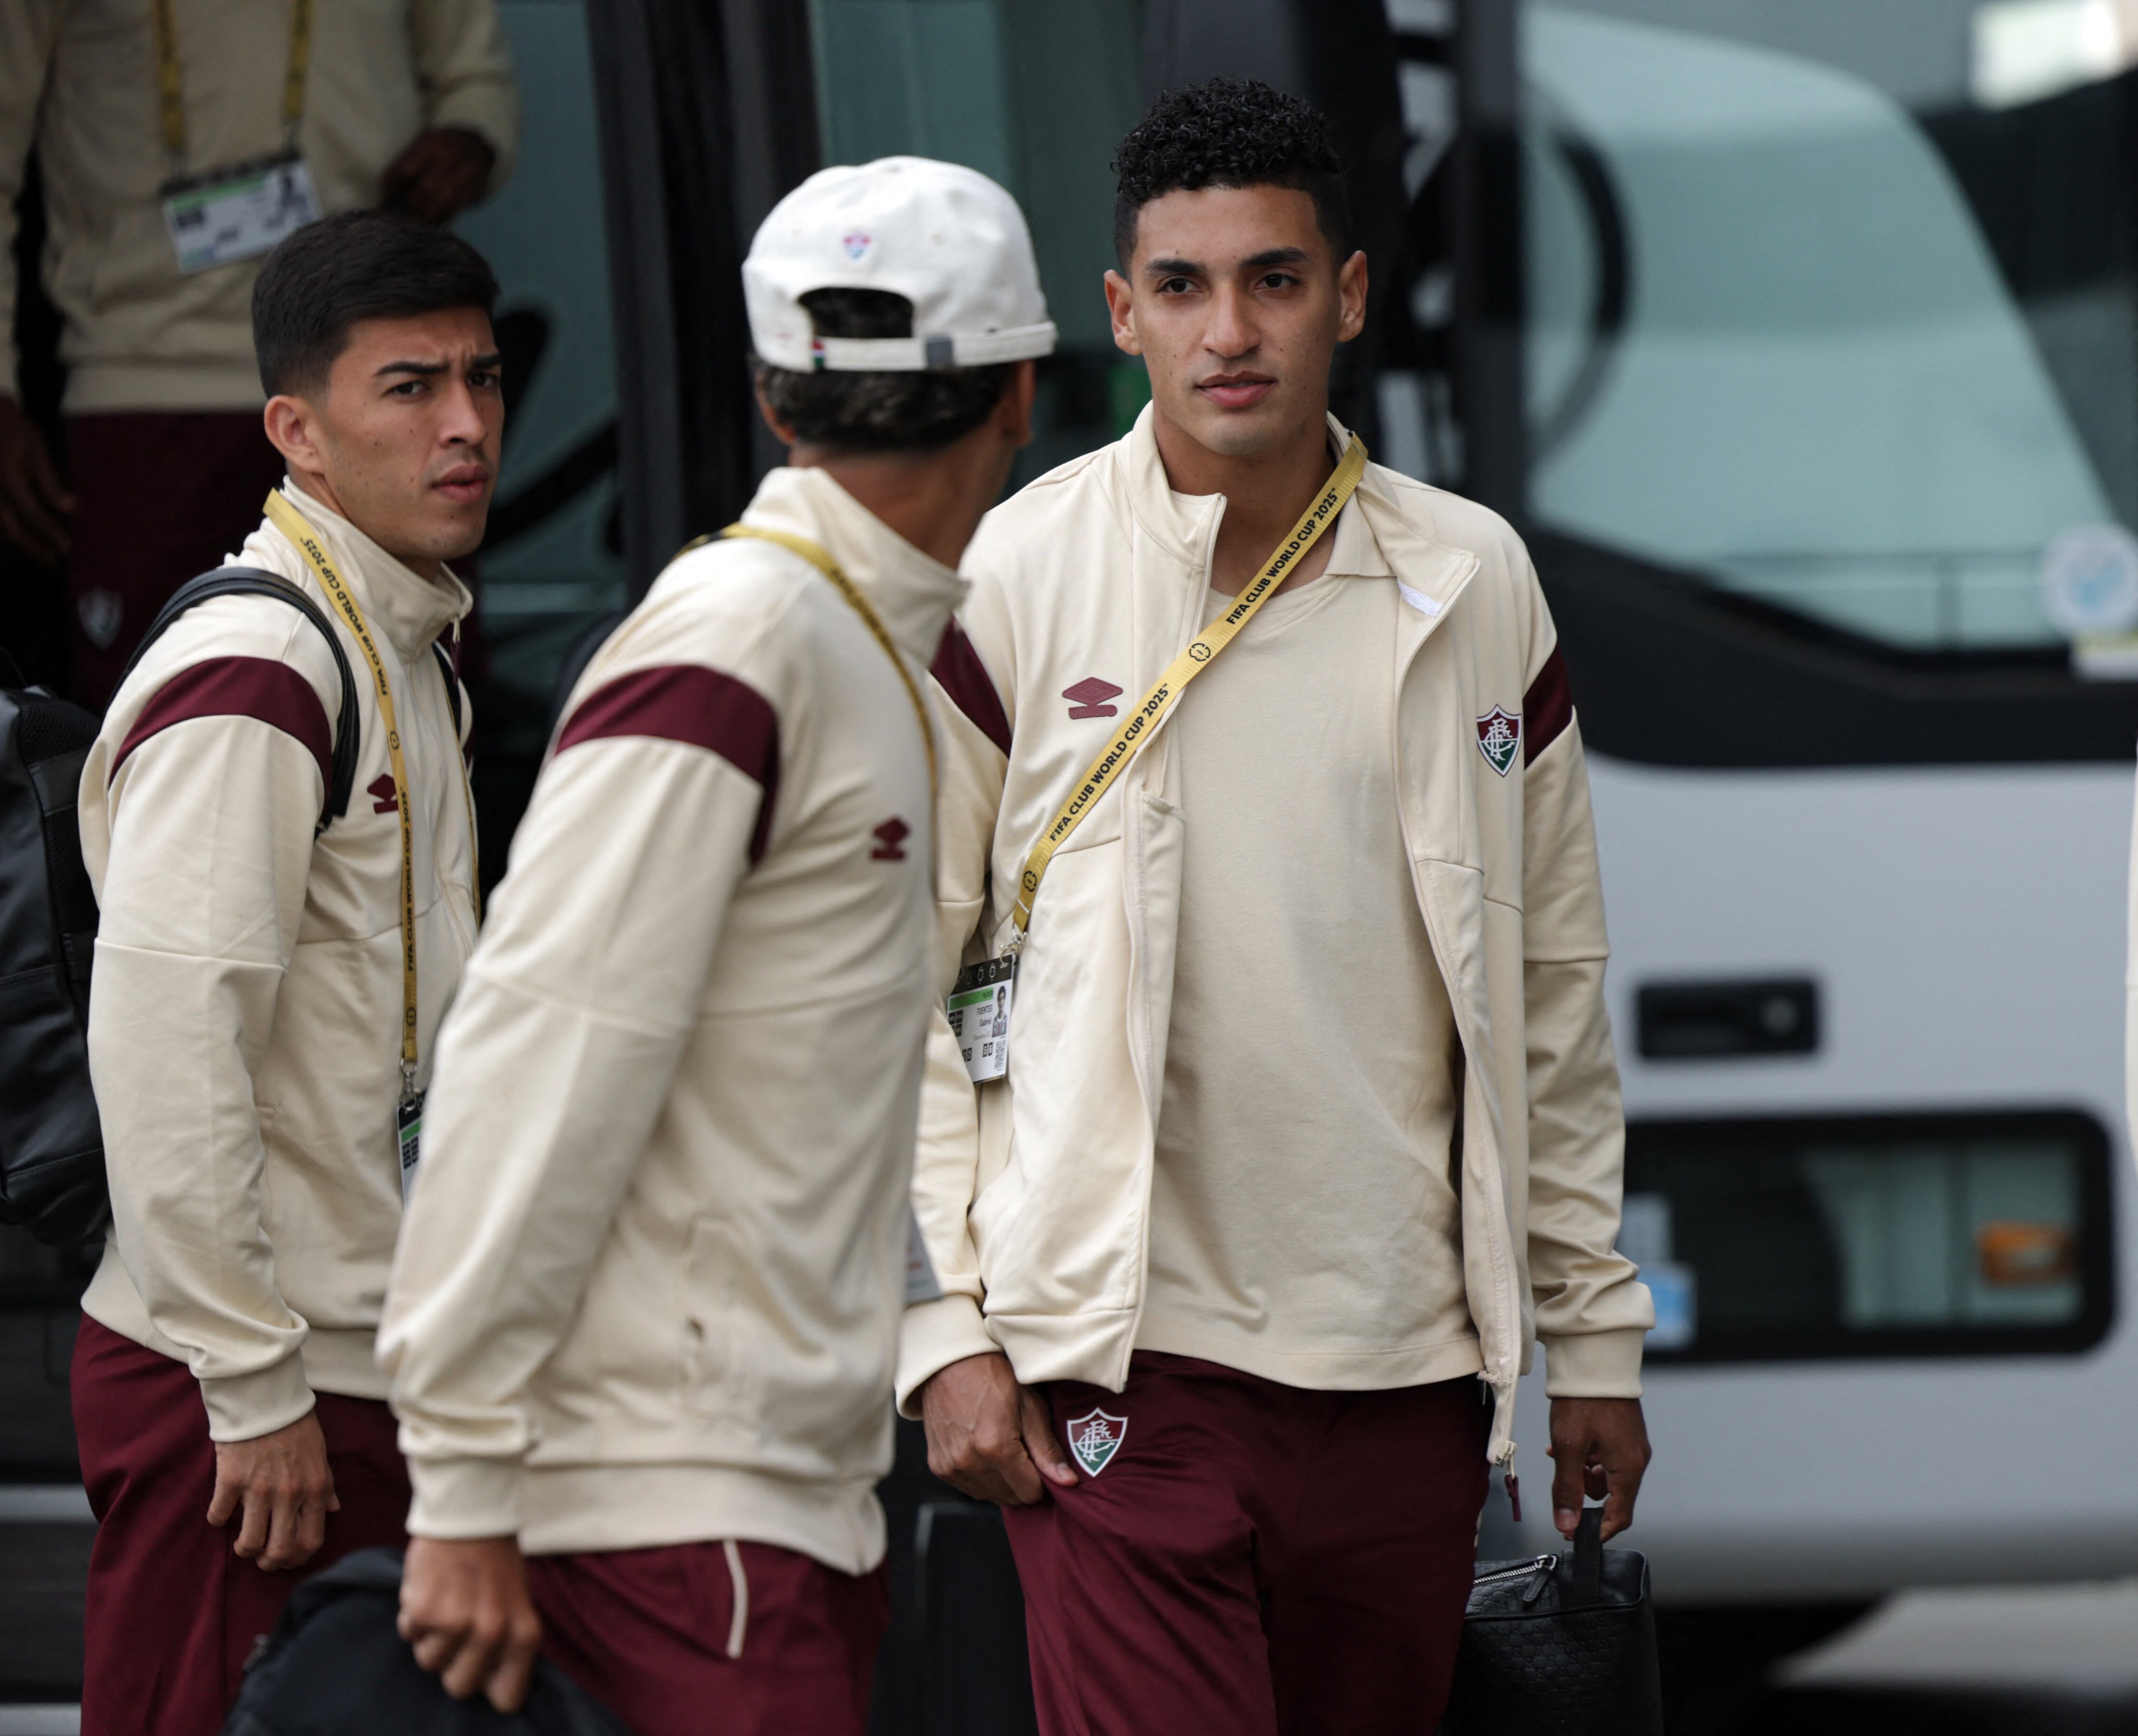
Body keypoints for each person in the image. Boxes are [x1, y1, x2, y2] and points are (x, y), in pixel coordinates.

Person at [902, 79, 1657, 1736]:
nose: (1226, 329)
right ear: (1119, 312)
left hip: (1404, 1369)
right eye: (1179, 286)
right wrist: (930, 1323)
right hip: (1117, 1365)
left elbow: (1547, 985)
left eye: (1273, 278)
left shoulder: (1471, 577)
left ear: (1351, 294)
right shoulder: (1008, 578)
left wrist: (1589, 1331)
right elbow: (889, 985)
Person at [375, 156, 1052, 1731]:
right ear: (1021, 391)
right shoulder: (744, 638)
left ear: (767, 395)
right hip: (668, 1504)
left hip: (760, 1494)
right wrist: (463, 1475)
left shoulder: (848, 639)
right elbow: (535, 1047)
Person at [70, 208, 496, 1736]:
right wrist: (251, 1386)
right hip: (247, 1388)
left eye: (482, 378)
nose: (464, 425)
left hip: (359, 1366)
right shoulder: (264, 668)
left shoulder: (408, 638)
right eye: (409, 387)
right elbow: (170, 1049)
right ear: (295, 431)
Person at [0, 0, 516, 706]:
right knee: (165, 728)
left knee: (406, 723)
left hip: (377, 382)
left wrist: (471, 138)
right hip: (145, 392)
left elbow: (477, 80)